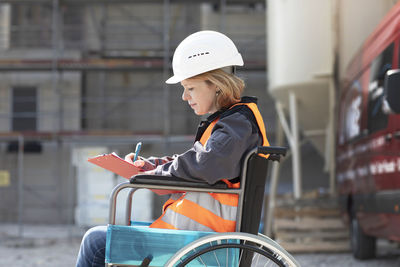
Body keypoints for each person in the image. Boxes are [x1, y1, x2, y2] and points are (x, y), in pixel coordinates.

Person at [75, 30, 269, 267]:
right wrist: (153, 166)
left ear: (216, 85)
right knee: (99, 238)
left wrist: (154, 174)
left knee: (95, 241)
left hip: (202, 239)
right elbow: (199, 161)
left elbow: (205, 165)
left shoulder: (236, 123)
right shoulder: (233, 123)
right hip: (200, 235)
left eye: (191, 88)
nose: (184, 96)